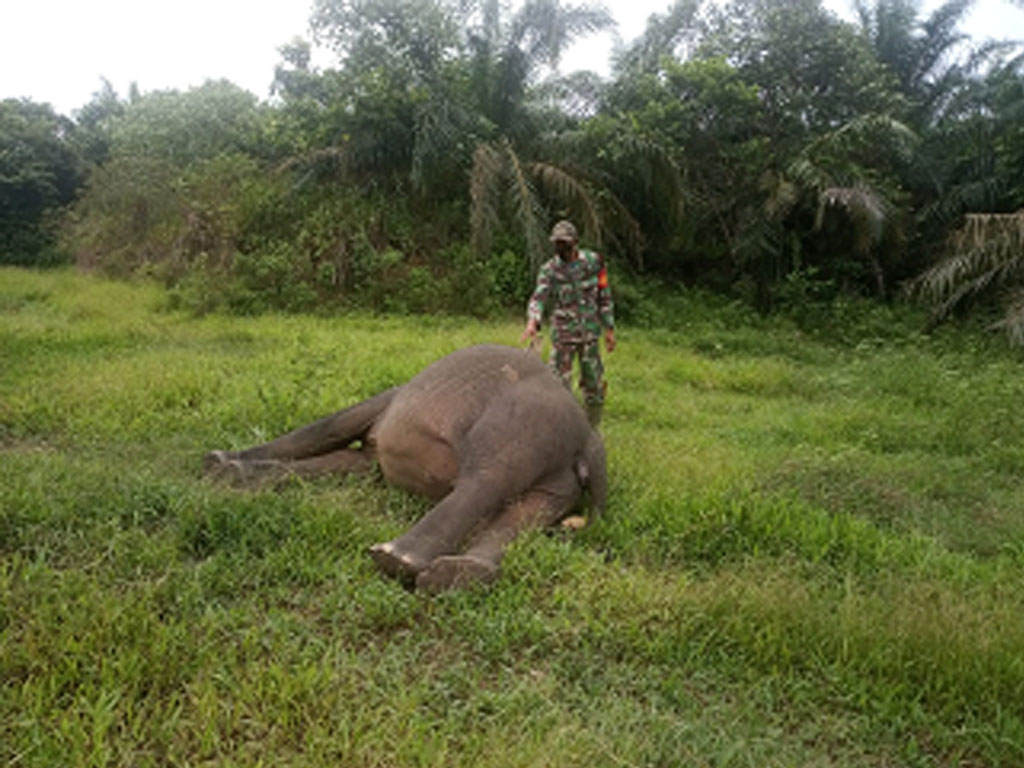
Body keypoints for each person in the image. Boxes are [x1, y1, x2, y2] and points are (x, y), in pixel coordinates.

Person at [521, 219, 616, 427]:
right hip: (563, 336)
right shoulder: (550, 269)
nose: (560, 247)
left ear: (575, 241)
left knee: (594, 387)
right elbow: (539, 297)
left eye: (564, 243)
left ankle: (592, 431)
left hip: (589, 335)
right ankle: (561, 432)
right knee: (557, 387)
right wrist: (532, 321)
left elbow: (604, 295)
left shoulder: (594, 262)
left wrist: (609, 328)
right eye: (556, 243)